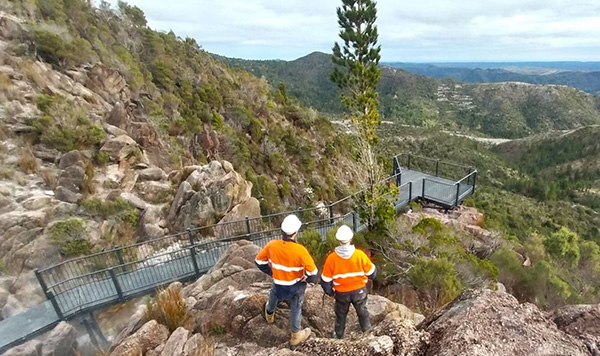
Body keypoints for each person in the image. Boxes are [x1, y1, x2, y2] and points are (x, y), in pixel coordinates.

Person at [255, 214, 318, 346]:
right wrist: (307, 278)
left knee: (273, 294)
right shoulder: (300, 250)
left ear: (282, 231)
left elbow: (259, 261)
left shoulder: (272, 245)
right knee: (296, 307)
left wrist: (272, 272)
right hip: (295, 286)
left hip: (278, 283)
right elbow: (313, 272)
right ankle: (295, 334)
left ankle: (269, 314)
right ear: (295, 232)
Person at [320, 225, 377, 339]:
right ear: (351, 239)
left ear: (338, 240)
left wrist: (330, 293)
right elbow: (372, 274)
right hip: (359, 291)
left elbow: (325, 281)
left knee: (340, 316)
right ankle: (368, 333)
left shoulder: (332, 258)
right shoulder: (360, 255)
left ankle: (338, 336)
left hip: (341, 293)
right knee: (363, 313)